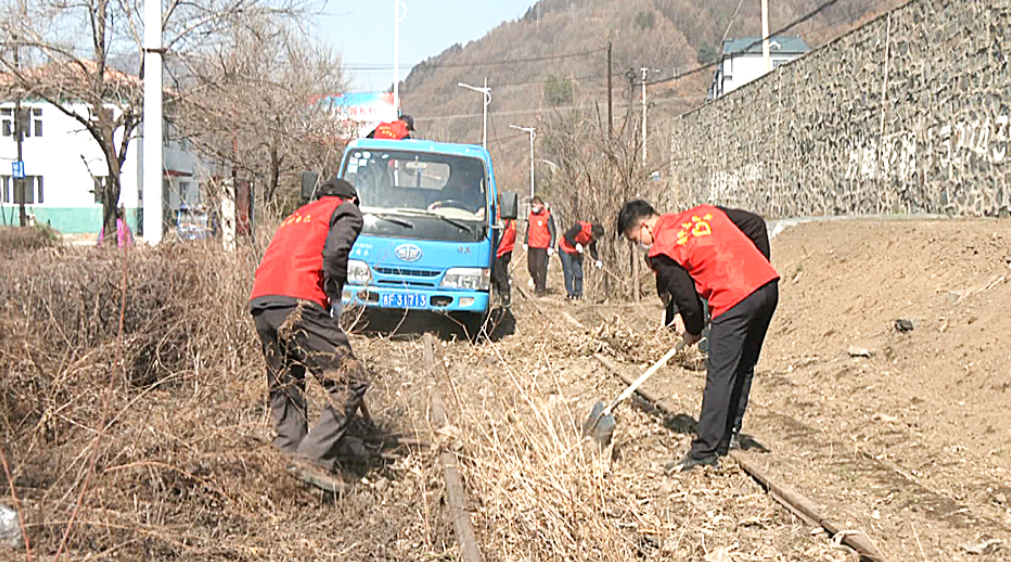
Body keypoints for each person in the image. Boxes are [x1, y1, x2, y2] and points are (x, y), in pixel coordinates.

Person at [617, 200, 778, 472]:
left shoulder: (662, 249)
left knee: (720, 374)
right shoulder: (704, 213)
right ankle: (729, 434)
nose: (640, 245)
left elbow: (688, 300)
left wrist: (693, 328)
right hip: (767, 287)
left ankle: (704, 451)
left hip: (733, 297)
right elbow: (756, 225)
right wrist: (758, 268)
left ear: (645, 227)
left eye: (636, 239)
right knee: (743, 365)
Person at [248, 177, 367, 489]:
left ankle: (287, 464)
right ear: (351, 199)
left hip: (263, 303)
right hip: (299, 299)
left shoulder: (296, 216)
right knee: (350, 380)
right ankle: (311, 460)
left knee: (286, 386)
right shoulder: (345, 211)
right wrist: (335, 297)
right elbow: (334, 254)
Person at [557, 220, 604, 300]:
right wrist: (576, 244)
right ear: (592, 232)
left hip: (576, 252)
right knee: (569, 272)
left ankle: (578, 293)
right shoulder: (580, 226)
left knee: (578, 272)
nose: (595, 239)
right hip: (565, 248)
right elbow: (567, 236)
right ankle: (570, 293)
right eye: (595, 237)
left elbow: (592, 249)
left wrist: (596, 260)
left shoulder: (593, 237)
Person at [523, 196, 555, 296]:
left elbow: (553, 231)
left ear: (541, 205)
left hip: (542, 246)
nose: (533, 208)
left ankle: (541, 289)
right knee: (531, 267)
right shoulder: (531, 216)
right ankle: (536, 283)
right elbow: (528, 229)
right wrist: (525, 242)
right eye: (532, 206)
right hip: (532, 245)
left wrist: (551, 246)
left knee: (540, 267)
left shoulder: (547, 216)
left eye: (535, 205)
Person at [493, 210, 517, 307]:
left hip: (501, 250)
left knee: (500, 275)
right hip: (506, 249)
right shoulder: (510, 218)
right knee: (500, 274)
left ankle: (505, 297)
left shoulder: (500, 215)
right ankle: (500, 296)